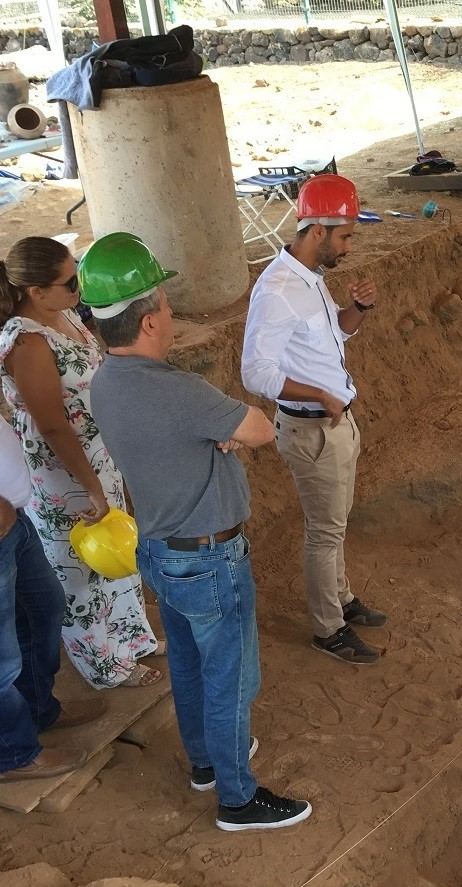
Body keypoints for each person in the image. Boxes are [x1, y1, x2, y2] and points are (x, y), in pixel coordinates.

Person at [85, 232, 311, 831]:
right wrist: (229, 430)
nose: (168, 311)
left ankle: (206, 763)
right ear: (151, 320)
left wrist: (220, 431)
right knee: (231, 678)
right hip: (210, 558)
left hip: (160, 550)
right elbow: (260, 427)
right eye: (162, 302)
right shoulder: (179, 392)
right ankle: (237, 799)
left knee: (187, 664)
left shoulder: (104, 382)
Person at [0, 235, 161, 690]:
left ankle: (130, 638)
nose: (80, 287)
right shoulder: (26, 341)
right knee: (81, 565)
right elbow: (51, 424)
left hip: (96, 458)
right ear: (36, 292)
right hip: (64, 472)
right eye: (71, 281)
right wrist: (90, 484)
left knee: (115, 550)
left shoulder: (62, 314)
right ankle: (104, 664)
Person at [241, 174, 386, 666]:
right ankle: (329, 629)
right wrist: (321, 396)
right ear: (317, 230)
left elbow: (334, 338)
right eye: (344, 235)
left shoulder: (310, 281)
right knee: (325, 532)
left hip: (334, 421)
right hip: (312, 430)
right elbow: (256, 373)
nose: (349, 246)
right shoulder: (279, 290)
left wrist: (359, 309)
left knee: (335, 524)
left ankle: (341, 599)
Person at [0, 416, 106, 783]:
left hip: (14, 519)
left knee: (43, 609)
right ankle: (13, 753)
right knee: (2, 659)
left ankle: (38, 708)